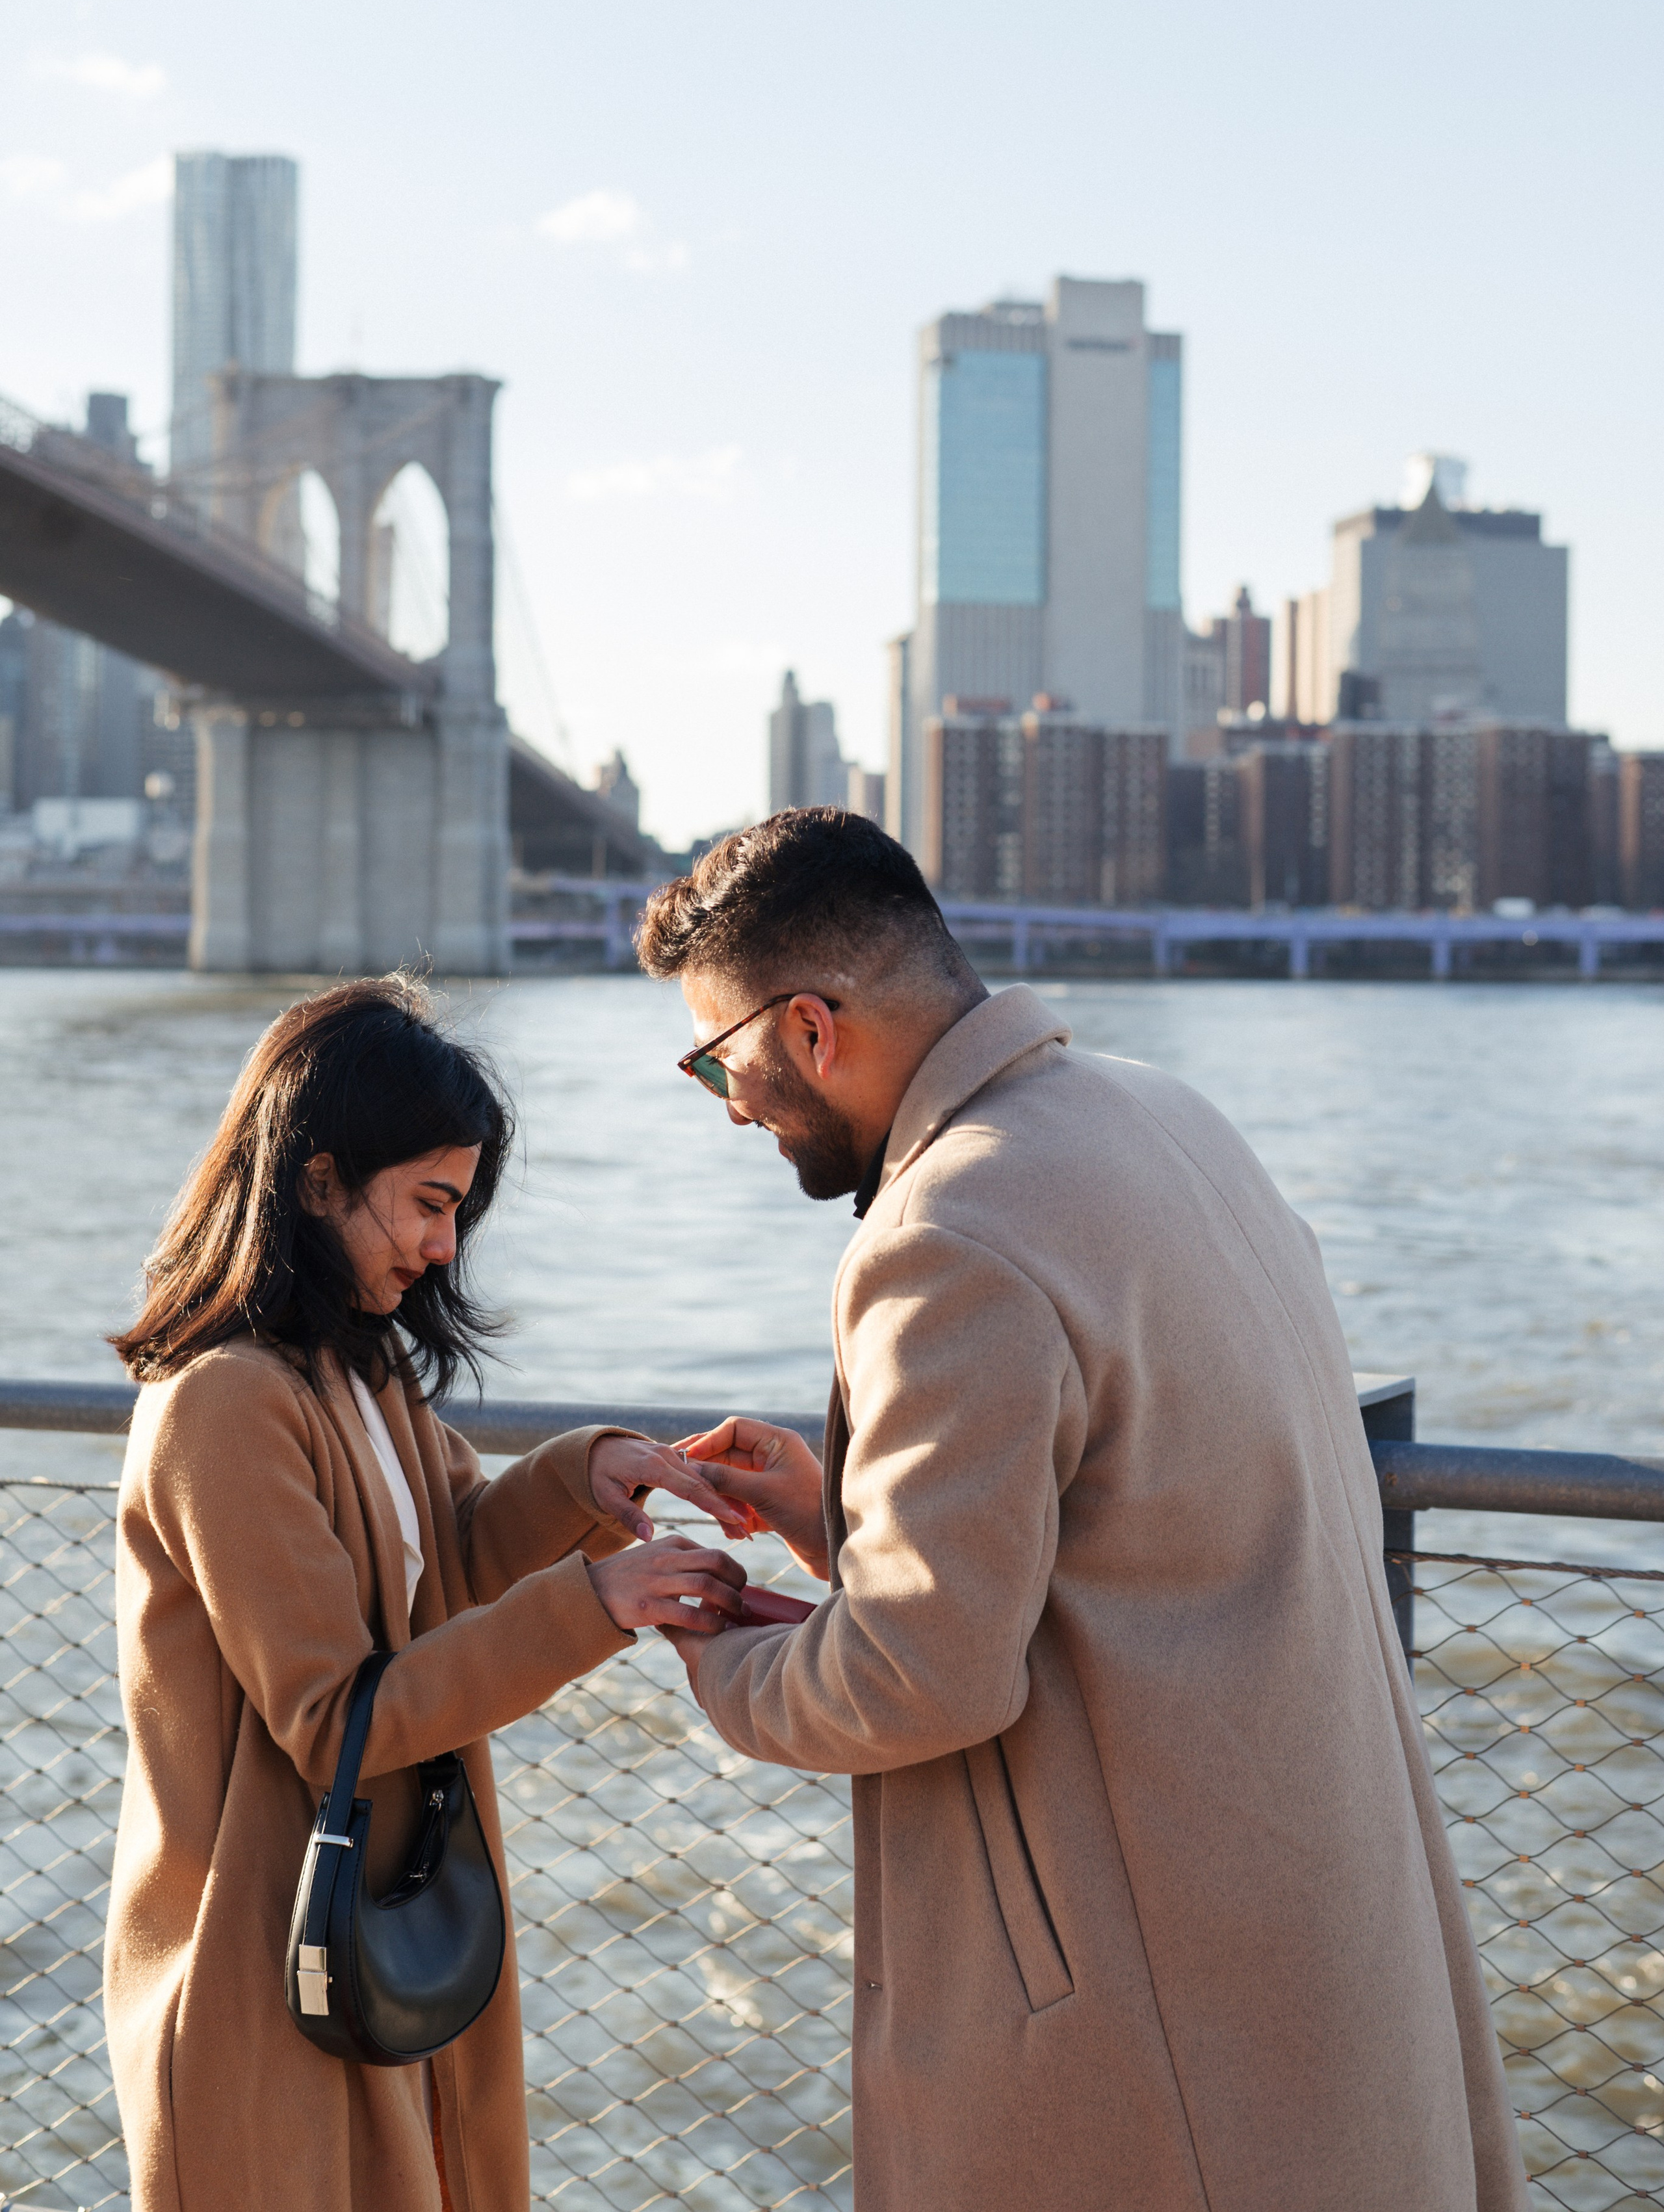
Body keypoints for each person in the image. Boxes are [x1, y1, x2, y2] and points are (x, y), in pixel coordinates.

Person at [636, 809, 1528, 2212]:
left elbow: (918, 1677)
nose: (731, 1104)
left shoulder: (942, 1239)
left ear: (810, 1026)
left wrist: (721, 1652)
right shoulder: (1165, 1119)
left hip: (1147, 2039)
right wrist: (844, 1521)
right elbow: (1144, 1526)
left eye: (716, 1063)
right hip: (1317, 1963)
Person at [105, 977, 751, 2212]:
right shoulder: (226, 1404)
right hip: (267, 1975)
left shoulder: (357, 1367)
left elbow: (449, 1558)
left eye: (458, 1209)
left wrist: (590, 1474)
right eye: (430, 1204)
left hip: (375, 1939)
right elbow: (337, 1717)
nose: (446, 1245)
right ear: (317, 1179)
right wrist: (599, 1605)